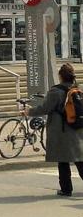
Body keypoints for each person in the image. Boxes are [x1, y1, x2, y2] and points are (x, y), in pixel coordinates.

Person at [25, 63, 83, 197]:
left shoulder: (55, 91)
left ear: (61, 76)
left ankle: (66, 189)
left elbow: (45, 108)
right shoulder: (78, 90)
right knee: (80, 160)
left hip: (62, 130)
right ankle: (66, 189)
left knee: (63, 161)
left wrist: (29, 112)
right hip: (78, 128)